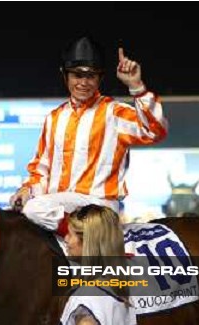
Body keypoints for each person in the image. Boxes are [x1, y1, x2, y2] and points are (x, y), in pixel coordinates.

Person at [10, 37, 168, 231]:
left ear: (100, 78)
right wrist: (26, 190)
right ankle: (75, 235)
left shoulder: (114, 112)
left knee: (34, 208)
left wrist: (136, 87)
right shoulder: (54, 118)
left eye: (91, 76)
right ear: (65, 75)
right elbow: (40, 171)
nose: (83, 82)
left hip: (99, 208)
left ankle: (82, 236)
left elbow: (155, 131)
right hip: (61, 208)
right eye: (77, 75)